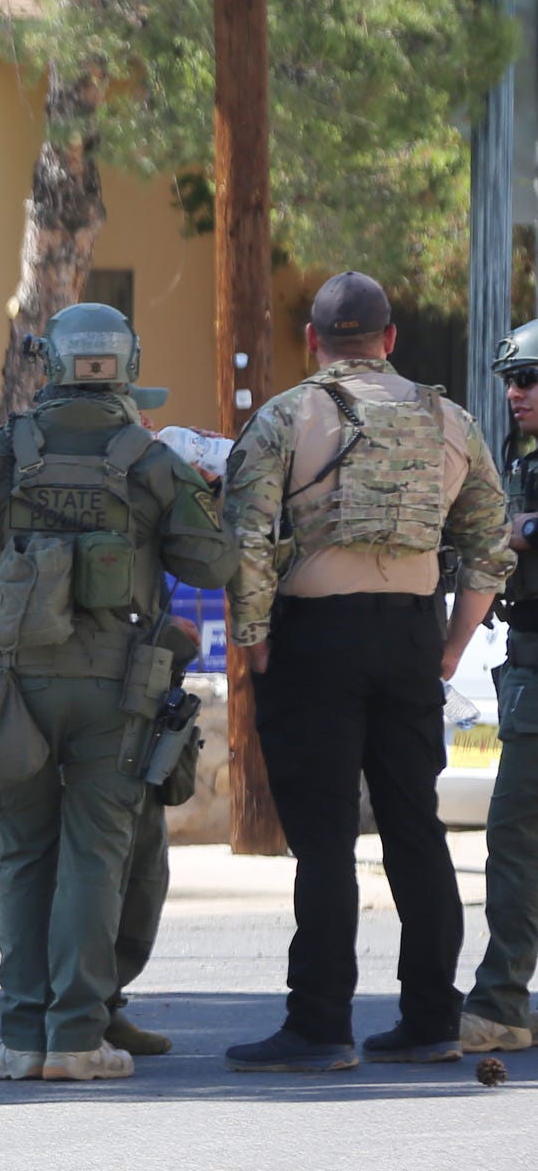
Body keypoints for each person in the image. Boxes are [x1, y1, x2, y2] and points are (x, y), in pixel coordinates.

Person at [0, 304, 235, 1081]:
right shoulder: (150, 461)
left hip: (15, 687)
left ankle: (21, 1037)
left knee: (22, 855)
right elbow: (212, 566)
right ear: (126, 366)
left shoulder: (0, 452)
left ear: (49, 364)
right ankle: (78, 1035)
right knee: (97, 854)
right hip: (117, 692)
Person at [220, 273, 508, 1072]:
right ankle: (429, 1018)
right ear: (389, 340)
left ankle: (319, 1026)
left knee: (323, 842)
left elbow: (242, 533)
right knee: (415, 829)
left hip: (314, 641)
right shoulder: (448, 419)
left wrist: (253, 640)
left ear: (312, 341)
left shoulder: (284, 417)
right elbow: (489, 542)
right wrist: (451, 643)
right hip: (410, 640)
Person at [465, 320, 538, 1057]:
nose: (515, 393)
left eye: (529, 379)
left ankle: (499, 1001)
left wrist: (520, 531)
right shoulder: (521, 455)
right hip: (524, 662)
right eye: (511, 380)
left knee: (514, 839)